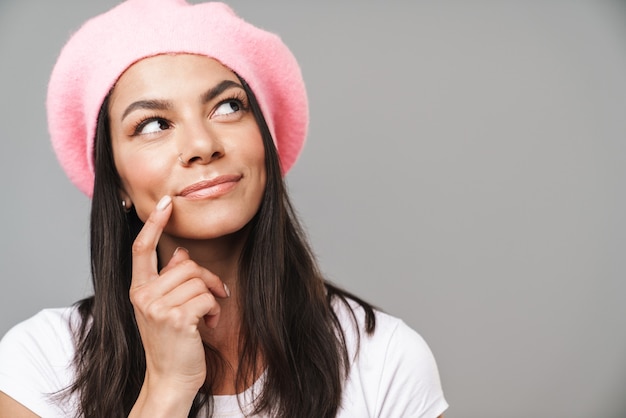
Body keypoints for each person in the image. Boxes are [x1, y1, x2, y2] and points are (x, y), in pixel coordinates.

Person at [0, 1, 448, 417]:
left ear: (265, 140)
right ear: (115, 180)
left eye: (228, 106)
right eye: (153, 124)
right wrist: (166, 389)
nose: (201, 145)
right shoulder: (39, 363)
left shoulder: (385, 357)